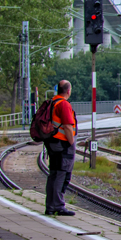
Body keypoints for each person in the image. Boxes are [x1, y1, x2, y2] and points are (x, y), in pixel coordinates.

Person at [45, 79, 76, 216]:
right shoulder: (63, 105)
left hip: (52, 142)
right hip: (62, 144)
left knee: (53, 174)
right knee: (62, 174)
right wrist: (71, 143)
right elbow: (68, 126)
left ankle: (50, 206)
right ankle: (58, 205)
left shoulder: (52, 102)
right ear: (68, 91)